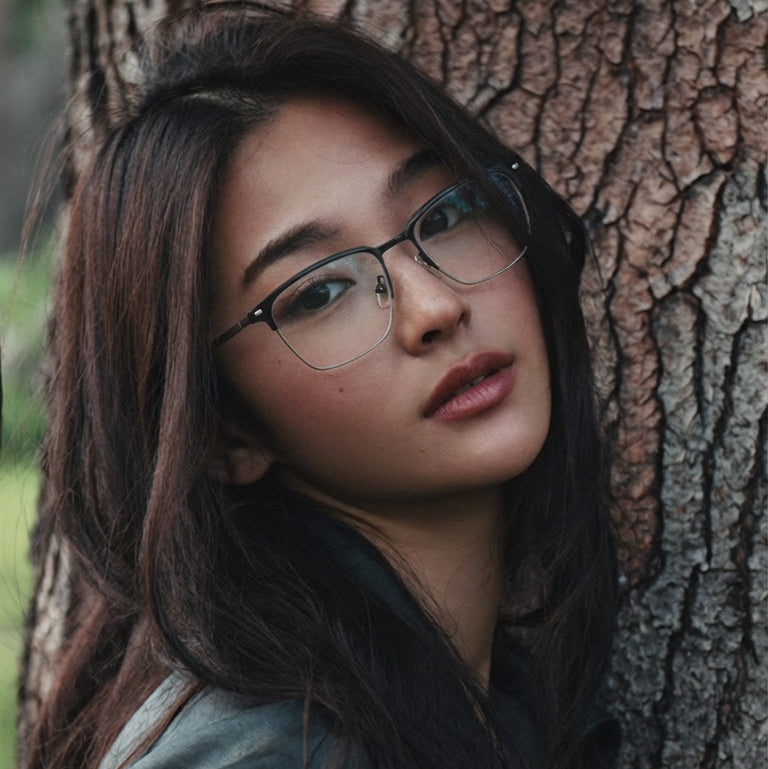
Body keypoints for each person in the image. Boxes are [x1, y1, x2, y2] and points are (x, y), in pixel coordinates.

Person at [23, 5, 619, 769]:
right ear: (222, 431)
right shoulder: (270, 752)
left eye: (447, 213)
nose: (435, 308)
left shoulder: (482, 703)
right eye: (319, 291)